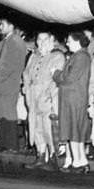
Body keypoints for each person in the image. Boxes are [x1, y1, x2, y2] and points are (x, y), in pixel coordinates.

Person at [21, 30, 65, 168]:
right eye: (39, 40)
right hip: (33, 95)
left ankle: (53, 157)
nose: (42, 43)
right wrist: (26, 86)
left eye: (45, 39)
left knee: (48, 127)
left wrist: (49, 94)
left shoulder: (57, 56)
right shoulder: (34, 56)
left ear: (51, 40)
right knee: (36, 126)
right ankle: (40, 155)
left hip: (47, 96)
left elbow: (56, 78)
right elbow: (26, 73)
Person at [52, 32, 92, 173]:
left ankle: (78, 162)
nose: (67, 43)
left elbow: (69, 77)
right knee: (75, 131)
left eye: (69, 41)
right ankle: (81, 160)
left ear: (77, 41)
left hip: (74, 98)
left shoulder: (80, 57)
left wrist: (55, 73)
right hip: (73, 97)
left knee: (74, 130)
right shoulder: (80, 56)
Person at [0, 17, 28, 151]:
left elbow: (10, 63)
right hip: (6, 80)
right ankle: (5, 143)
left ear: (11, 25)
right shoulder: (9, 40)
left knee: (8, 112)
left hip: (9, 81)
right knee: (4, 112)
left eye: (2, 24)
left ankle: (11, 144)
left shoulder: (14, 41)